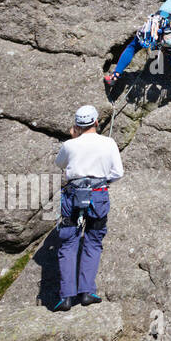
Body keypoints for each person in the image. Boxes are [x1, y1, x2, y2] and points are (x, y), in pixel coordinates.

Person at [52, 105, 123, 312]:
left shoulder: (70, 145)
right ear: (97, 123)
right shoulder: (108, 143)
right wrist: (101, 181)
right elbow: (118, 172)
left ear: (77, 125)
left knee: (68, 244)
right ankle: (87, 292)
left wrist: (73, 139)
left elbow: (59, 164)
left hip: (73, 196)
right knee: (93, 240)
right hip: (98, 195)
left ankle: (66, 297)